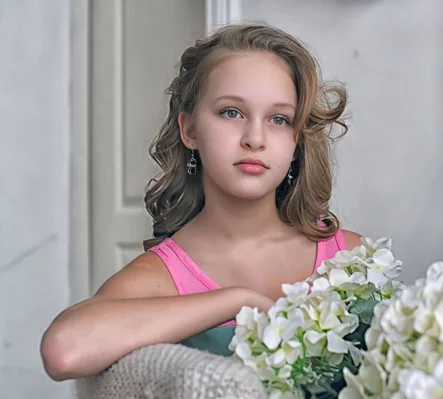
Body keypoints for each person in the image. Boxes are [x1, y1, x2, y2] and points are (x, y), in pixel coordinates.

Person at [40, 23, 362, 382]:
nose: (255, 138)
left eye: (278, 119)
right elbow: (64, 352)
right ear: (189, 130)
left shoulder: (349, 258)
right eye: (231, 112)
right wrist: (238, 300)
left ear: (296, 140)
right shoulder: (161, 276)